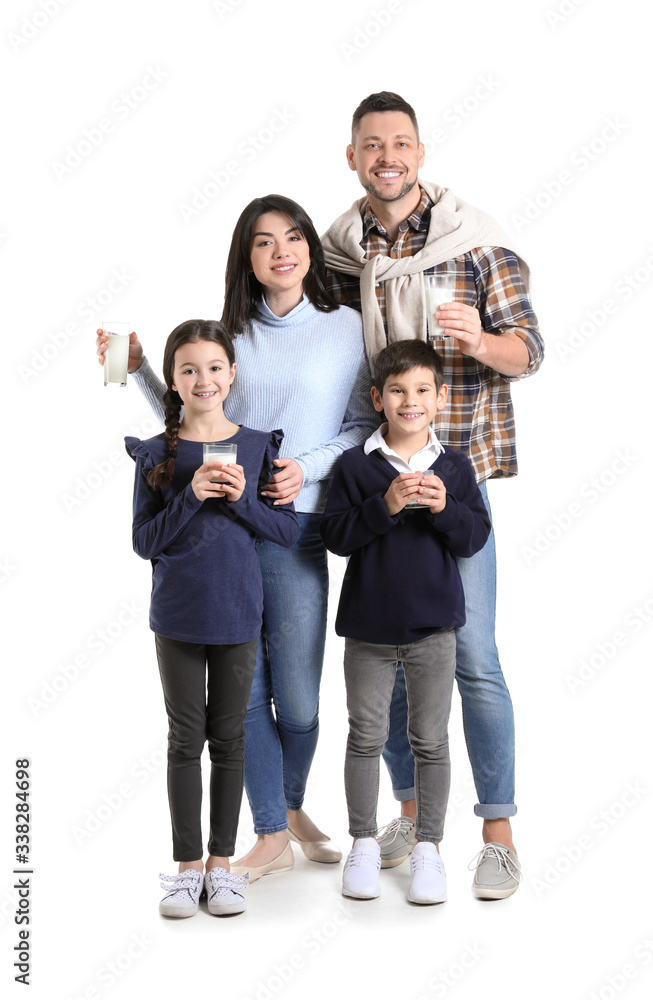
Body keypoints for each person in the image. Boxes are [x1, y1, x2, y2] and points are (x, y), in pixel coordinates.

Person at [98, 195, 377, 880]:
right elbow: (194, 409)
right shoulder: (231, 331)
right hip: (216, 533)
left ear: (310, 247)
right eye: (261, 241)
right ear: (245, 259)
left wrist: (302, 469)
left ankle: (282, 806)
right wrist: (135, 367)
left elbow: (358, 425)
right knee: (243, 698)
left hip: (293, 525)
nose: (280, 251)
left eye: (291, 237)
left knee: (302, 699)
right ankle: (271, 830)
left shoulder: (347, 328)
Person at [321, 90, 544, 898]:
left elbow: (529, 351)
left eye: (401, 143)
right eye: (371, 144)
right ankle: (416, 820)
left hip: (455, 480)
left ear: (420, 153)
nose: (387, 156)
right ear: (352, 157)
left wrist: (477, 339)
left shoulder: (475, 241)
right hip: (375, 476)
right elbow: (306, 347)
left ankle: (496, 833)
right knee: (384, 652)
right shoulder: (340, 252)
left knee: (473, 657)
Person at [125, 319, 299, 917]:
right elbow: (144, 543)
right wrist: (191, 494)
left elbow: (286, 528)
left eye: (215, 367)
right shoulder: (155, 452)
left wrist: (242, 497)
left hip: (238, 615)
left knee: (229, 738)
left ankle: (222, 867)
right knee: (185, 738)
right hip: (175, 617)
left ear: (233, 373)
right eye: (188, 369)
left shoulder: (256, 446)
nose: (203, 379)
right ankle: (187, 868)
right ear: (172, 380)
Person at [321, 340, 491, 903]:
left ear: (440, 399)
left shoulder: (456, 466)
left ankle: (429, 849)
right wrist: (385, 505)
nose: (409, 401)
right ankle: (363, 844)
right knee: (365, 736)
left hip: (434, 629)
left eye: (421, 390)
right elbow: (337, 538)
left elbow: (474, 539)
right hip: (368, 629)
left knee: (431, 741)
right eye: (397, 390)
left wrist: (446, 508)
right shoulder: (355, 465)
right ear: (378, 398)